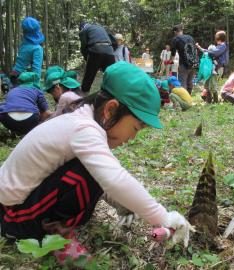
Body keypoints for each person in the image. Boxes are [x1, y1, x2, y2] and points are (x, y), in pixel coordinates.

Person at [0, 62, 194, 265]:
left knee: (95, 168)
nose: (133, 137)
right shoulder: (84, 129)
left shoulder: (81, 123)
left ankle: (55, 227)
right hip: (14, 218)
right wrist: (164, 218)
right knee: (87, 170)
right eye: (136, 128)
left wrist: (125, 205)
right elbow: (113, 179)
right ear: (110, 109)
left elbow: (105, 178)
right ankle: (57, 236)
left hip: (18, 208)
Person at [79, 22, 115, 93]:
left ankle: (84, 94)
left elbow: (83, 47)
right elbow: (114, 41)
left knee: (89, 75)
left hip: (96, 50)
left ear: (81, 28)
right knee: (112, 75)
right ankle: (113, 93)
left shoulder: (84, 30)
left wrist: (87, 58)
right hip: (110, 51)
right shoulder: (101, 28)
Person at [10, 17, 44, 85]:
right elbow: (36, 68)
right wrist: (36, 86)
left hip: (14, 74)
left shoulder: (23, 44)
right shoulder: (37, 48)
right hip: (24, 78)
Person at [170, 24, 197, 94]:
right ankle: (189, 98)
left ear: (175, 32)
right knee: (189, 81)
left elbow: (173, 53)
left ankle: (184, 100)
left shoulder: (175, 39)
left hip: (184, 64)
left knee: (182, 82)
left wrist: (170, 61)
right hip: (194, 63)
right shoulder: (190, 37)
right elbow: (195, 49)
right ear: (182, 30)